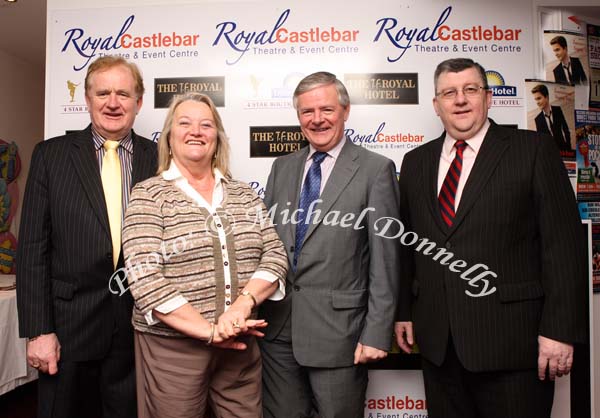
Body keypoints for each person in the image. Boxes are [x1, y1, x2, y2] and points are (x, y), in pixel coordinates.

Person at [395, 58, 587, 418]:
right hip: (441, 347)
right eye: (449, 93)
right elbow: (408, 247)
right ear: (436, 105)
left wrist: (559, 332)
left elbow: (564, 248)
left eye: (471, 89)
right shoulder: (416, 162)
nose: (461, 100)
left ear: (488, 97)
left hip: (514, 348)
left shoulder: (532, 151)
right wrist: (404, 311)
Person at [122, 92, 288, 418]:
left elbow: (275, 254)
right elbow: (144, 275)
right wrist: (210, 332)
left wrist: (241, 307)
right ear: (169, 136)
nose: (196, 131)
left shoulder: (244, 193)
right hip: (172, 351)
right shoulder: (149, 193)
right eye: (184, 123)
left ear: (217, 137)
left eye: (206, 125)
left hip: (240, 343)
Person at [16, 56, 157, 418]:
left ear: (138, 102)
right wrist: (38, 331)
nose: (113, 102)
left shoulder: (159, 158)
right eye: (103, 92)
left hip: (138, 329)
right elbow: (32, 249)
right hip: (67, 329)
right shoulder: (51, 156)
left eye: (124, 93)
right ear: (87, 98)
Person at [260, 71, 400, 418]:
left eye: (326, 109)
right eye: (307, 111)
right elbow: (268, 245)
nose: (317, 119)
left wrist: (377, 333)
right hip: (278, 333)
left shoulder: (375, 169)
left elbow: (386, 260)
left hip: (342, 336)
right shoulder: (282, 167)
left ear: (345, 110)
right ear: (298, 117)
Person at [531, 84, 572, 151]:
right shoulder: (538, 119)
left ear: (546, 97)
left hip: (563, 149)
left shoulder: (557, 110)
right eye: (535, 99)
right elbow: (540, 140)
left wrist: (568, 149)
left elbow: (566, 129)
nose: (537, 102)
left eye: (539, 98)